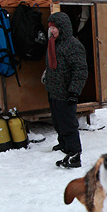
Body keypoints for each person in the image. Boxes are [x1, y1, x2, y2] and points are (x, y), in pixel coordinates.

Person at [43, 11, 88, 169]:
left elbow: (80, 70)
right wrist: (46, 76)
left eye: (55, 28)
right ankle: (63, 144)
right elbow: (51, 65)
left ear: (62, 27)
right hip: (53, 90)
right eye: (51, 28)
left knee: (68, 124)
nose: (52, 31)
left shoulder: (73, 45)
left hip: (66, 92)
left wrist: (74, 92)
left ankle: (74, 155)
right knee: (57, 122)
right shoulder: (53, 43)